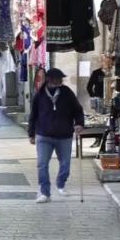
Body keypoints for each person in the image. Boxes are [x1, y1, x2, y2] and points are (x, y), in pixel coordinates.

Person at [28, 67, 85, 203]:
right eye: (57, 78)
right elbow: (33, 115)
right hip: (44, 135)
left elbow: (78, 110)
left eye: (61, 78)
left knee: (65, 164)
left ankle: (61, 184)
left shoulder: (66, 92)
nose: (60, 81)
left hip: (64, 135)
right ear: (49, 79)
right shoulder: (40, 94)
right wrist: (31, 133)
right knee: (42, 164)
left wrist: (79, 123)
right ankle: (45, 192)